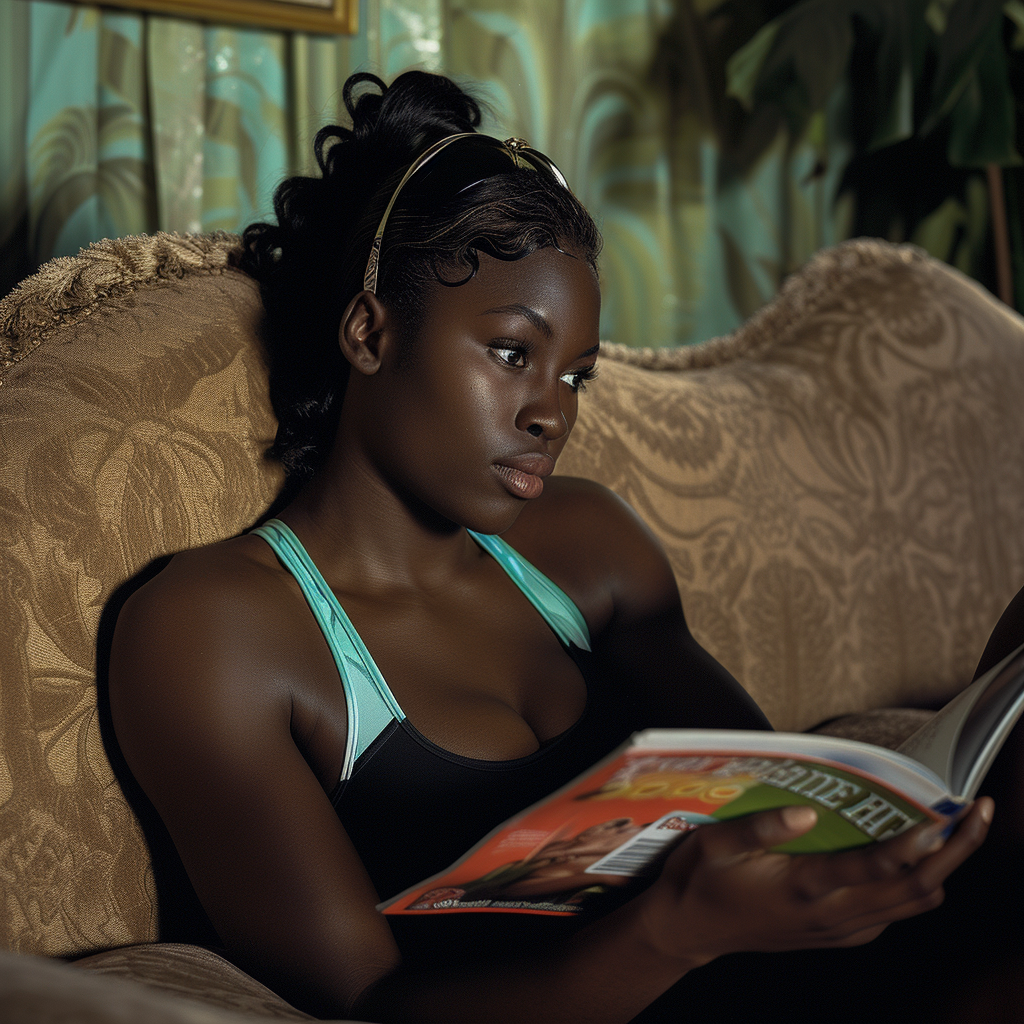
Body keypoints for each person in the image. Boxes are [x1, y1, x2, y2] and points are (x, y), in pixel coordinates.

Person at [108, 70, 1002, 1023]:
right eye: (511, 353)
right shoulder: (215, 633)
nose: (551, 413)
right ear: (369, 333)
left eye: (577, 375)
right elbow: (370, 1002)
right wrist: (672, 932)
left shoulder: (587, 547)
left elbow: (773, 785)